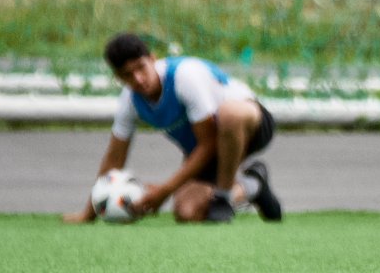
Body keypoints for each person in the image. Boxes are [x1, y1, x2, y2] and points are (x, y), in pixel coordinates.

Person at [63, 33, 283, 224]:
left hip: (250, 125)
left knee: (230, 114)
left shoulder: (183, 76)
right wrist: (89, 213)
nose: (138, 79)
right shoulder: (130, 101)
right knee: (187, 212)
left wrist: (165, 190)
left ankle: (224, 196)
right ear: (118, 78)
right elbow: (114, 159)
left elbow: (208, 144)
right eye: (127, 75)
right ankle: (253, 184)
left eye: (141, 67)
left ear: (152, 59)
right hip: (209, 147)